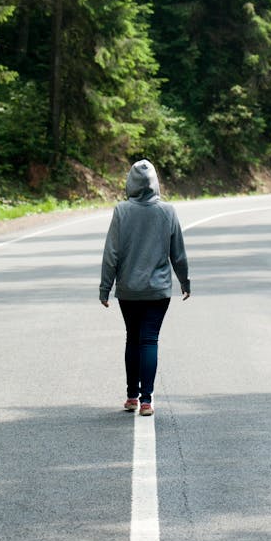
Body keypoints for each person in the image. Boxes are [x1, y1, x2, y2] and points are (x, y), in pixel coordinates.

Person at [99, 158, 190, 416]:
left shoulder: (121, 211)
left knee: (132, 338)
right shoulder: (168, 211)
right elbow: (178, 253)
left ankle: (131, 396)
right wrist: (184, 281)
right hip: (158, 290)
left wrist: (105, 288)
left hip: (128, 289)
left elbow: (111, 254)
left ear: (130, 183)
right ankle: (146, 400)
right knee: (149, 339)